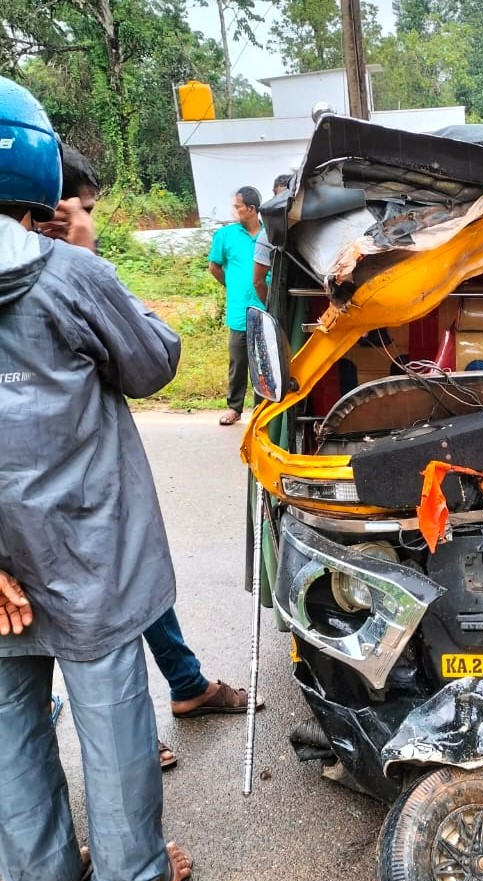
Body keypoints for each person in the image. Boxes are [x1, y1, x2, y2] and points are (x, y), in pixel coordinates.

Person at [0, 77, 191, 881]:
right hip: (85, 547)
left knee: (8, 727)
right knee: (111, 710)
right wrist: (90, 252)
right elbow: (153, 362)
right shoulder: (69, 276)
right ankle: (129, 880)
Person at [38, 146, 261, 773]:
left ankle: (184, 684)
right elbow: (153, 358)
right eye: (82, 209)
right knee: (79, 625)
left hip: (84, 494)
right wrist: (84, 261)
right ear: (45, 209)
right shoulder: (56, 274)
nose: (90, 220)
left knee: (134, 577)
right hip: (64, 500)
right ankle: (122, 740)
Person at [208, 186, 265, 426]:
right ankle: (234, 407)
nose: (235, 211)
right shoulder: (225, 236)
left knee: (264, 361)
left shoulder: (269, 234)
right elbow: (214, 267)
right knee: (239, 361)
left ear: (251, 209)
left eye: (238, 207)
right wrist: (233, 288)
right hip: (239, 311)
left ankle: (262, 409)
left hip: (266, 308)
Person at [253, 173, 292, 304]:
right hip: (287, 306)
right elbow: (258, 282)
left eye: (290, 197)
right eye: (281, 198)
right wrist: (273, 310)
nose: (286, 203)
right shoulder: (268, 235)